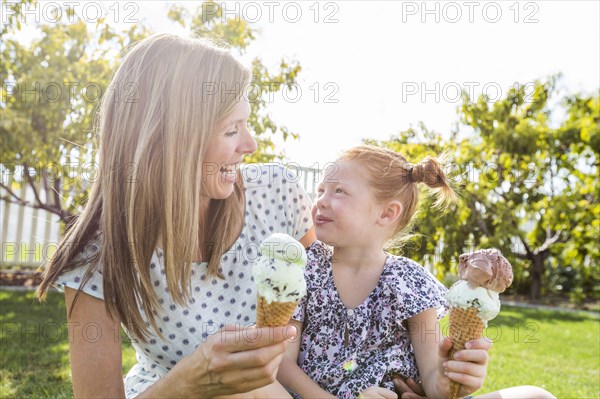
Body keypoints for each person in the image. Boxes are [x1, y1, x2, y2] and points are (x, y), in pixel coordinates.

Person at [36, 33, 316, 398]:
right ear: (171, 142)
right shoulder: (99, 254)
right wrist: (189, 382)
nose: (251, 145)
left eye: (245, 125)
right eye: (232, 130)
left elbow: (340, 292)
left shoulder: (277, 193)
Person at [278, 145, 556, 399]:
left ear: (387, 213)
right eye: (320, 191)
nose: (322, 201)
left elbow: (433, 379)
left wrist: (452, 382)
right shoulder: (305, 269)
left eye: (339, 191)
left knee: (537, 396)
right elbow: (282, 364)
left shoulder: (407, 281)